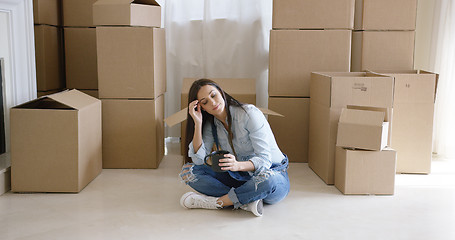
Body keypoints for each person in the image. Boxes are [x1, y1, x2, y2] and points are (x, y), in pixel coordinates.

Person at [179, 78, 290, 217]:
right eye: (205, 102)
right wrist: (198, 123)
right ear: (201, 108)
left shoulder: (249, 113)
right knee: (190, 172)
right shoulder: (211, 124)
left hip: (272, 173)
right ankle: (247, 200)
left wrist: (237, 165)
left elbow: (265, 161)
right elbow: (199, 160)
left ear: (220, 91)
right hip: (240, 178)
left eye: (213, 95)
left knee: (268, 180)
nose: (213, 103)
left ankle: (219, 202)